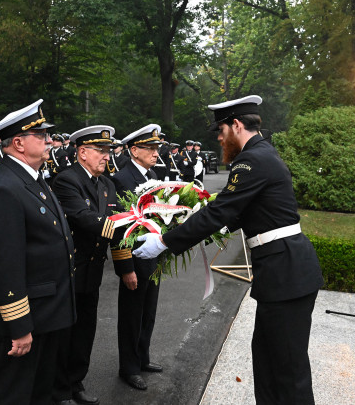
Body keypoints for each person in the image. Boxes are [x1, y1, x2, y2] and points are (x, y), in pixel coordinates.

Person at [133, 95, 324, 404]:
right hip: (281, 272)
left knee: (288, 370)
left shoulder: (252, 160)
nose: (220, 139)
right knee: (266, 359)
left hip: (286, 274)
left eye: (220, 131)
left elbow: (219, 211)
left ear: (236, 125)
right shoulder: (263, 154)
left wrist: (164, 242)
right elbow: (240, 212)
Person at [0, 99, 76, 404]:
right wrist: (19, 327)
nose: (50, 141)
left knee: (39, 392)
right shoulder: (3, 188)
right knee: (15, 393)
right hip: (26, 318)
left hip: (47, 312)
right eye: (42, 136)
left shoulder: (33, 178)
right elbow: (4, 265)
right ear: (18, 143)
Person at [52, 125, 124, 405]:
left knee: (85, 331)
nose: (107, 156)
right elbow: (83, 218)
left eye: (108, 151)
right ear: (82, 152)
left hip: (92, 269)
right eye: (101, 151)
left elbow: (115, 215)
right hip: (70, 268)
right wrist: (128, 230)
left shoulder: (107, 184)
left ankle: (76, 382)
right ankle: (59, 390)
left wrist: (133, 227)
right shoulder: (66, 180)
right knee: (65, 332)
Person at [111, 124, 164, 392]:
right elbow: (119, 229)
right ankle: (128, 368)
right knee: (132, 315)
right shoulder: (122, 179)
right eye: (150, 148)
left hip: (153, 256)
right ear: (134, 150)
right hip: (134, 259)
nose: (156, 153)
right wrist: (125, 268)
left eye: (157, 148)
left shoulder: (153, 174)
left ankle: (142, 358)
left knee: (149, 312)